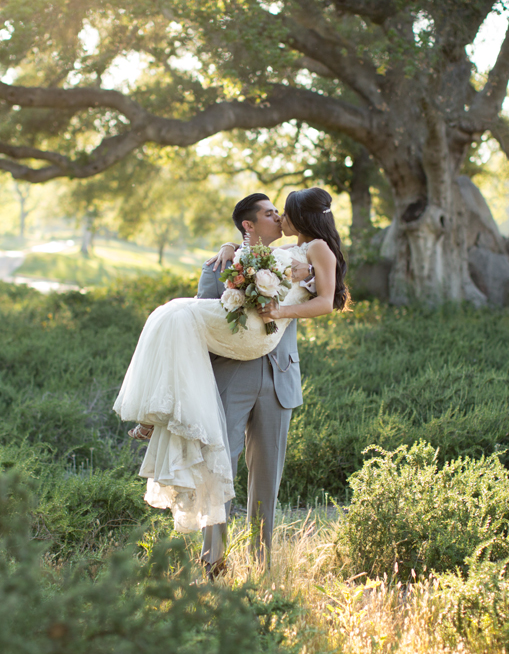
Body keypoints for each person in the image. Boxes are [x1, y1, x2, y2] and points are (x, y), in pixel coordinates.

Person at [112, 188, 348, 546]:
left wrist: (310, 275)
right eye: (272, 214)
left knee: (267, 478)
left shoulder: (304, 253)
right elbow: (211, 316)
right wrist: (229, 247)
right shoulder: (224, 263)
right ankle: (214, 556)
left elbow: (321, 289)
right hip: (233, 373)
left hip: (280, 375)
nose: (279, 218)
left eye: (281, 212)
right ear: (249, 225)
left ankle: (261, 560)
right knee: (219, 467)